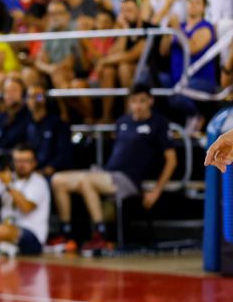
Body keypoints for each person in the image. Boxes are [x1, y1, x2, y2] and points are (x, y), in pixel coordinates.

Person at [50, 85, 177, 253]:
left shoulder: (158, 124)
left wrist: (156, 191)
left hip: (128, 180)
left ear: (151, 101)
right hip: (107, 174)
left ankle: (100, 235)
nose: (138, 106)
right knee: (58, 180)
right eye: (134, 101)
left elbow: (171, 160)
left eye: (142, 101)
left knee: (86, 180)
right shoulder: (123, 121)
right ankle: (66, 234)